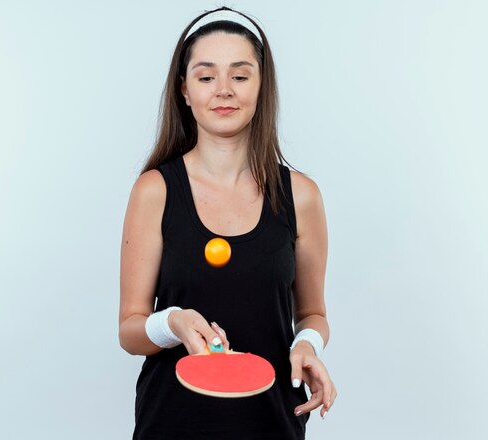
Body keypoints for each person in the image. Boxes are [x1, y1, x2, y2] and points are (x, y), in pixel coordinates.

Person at [119, 6, 337, 439]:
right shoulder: (155, 190)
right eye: (205, 77)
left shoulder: (301, 195)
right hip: (173, 422)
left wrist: (307, 344)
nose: (224, 90)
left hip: (272, 421)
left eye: (240, 76)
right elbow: (130, 329)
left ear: (261, 86)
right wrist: (174, 321)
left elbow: (312, 313)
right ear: (184, 90)